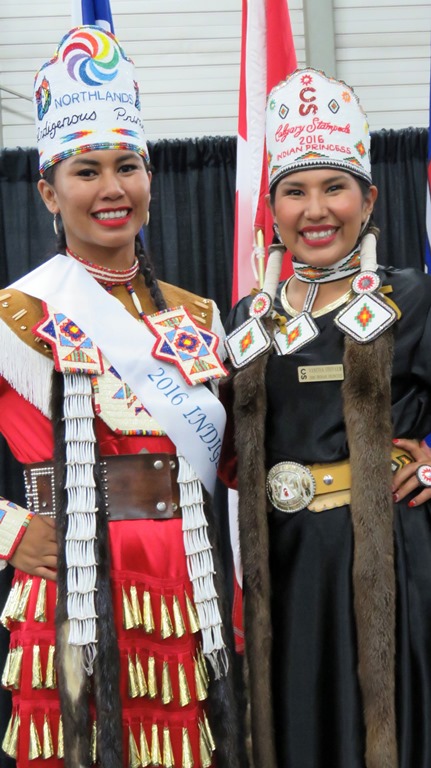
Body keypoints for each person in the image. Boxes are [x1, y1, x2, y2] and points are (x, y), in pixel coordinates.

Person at [0, 25, 241, 768]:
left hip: (182, 581)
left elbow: (246, 456)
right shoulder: (18, 313)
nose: (111, 188)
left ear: (149, 178)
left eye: (127, 166)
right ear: (48, 190)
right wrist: (8, 530)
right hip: (73, 583)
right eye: (86, 170)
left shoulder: (197, 316)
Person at [219, 68, 431, 768]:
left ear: (367, 200)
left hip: (392, 560)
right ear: (271, 209)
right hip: (285, 565)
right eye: (294, 190)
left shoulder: (412, 298)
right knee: (296, 725)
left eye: (334, 187)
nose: (315, 209)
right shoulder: (247, 321)